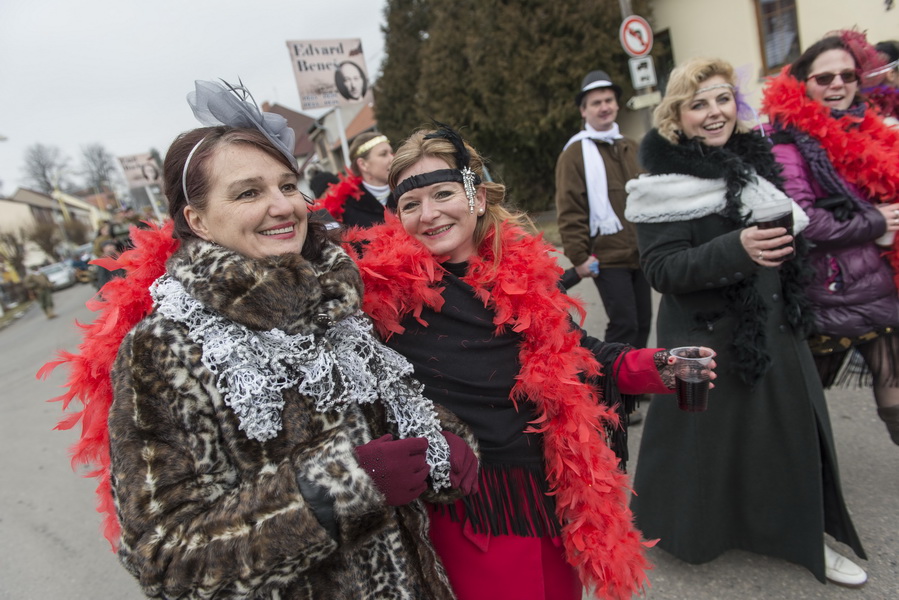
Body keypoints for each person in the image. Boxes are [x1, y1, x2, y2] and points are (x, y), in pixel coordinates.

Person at [45, 80, 479, 599]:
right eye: (249, 193)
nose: (282, 206)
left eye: (287, 186)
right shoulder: (164, 348)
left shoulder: (335, 298)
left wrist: (443, 442)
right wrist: (338, 491)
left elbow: (392, 427)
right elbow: (165, 560)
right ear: (198, 221)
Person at [347, 126, 708, 600]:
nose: (428, 214)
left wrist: (662, 366)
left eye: (443, 194)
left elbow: (578, 352)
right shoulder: (381, 298)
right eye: (410, 204)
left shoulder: (521, 274)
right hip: (467, 513)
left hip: (549, 497)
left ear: (477, 198)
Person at [625, 57, 868, 588]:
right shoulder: (660, 186)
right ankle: (694, 532)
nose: (715, 112)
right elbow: (663, 270)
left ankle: (805, 539)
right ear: (676, 117)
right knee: (704, 450)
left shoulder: (752, 163)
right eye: (698, 104)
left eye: (722, 99)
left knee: (790, 437)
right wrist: (737, 248)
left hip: (774, 329)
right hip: (706, 336)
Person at [763, 31, 899, 447]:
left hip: (876, 285)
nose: (838, 84)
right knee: (804, 409)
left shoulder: (868, 128)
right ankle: (799, 473)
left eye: (847, 75)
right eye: (825, 78)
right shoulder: (787, 143)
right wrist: (875, 221)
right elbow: (805, 221)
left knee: (894, 389)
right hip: (823, 292)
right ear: (803, 84)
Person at [555, 69, 652, 352]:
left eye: (608, 100)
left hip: (640, 252)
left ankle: (635, 375)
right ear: (584, 111)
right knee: (625, 325)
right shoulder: (574, 154)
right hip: (606, 257)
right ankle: (610, 376)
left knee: (643, 322)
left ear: (617, 105)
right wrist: (579, 256)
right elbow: (570, 208)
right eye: (596, 103)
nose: (604, 107)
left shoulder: (630, 146)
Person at [317, 132, 395, 228]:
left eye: (391, 153)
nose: (392, 158)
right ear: (363, 164)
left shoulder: (406, 192)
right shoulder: (345, 209)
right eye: (383, 154)